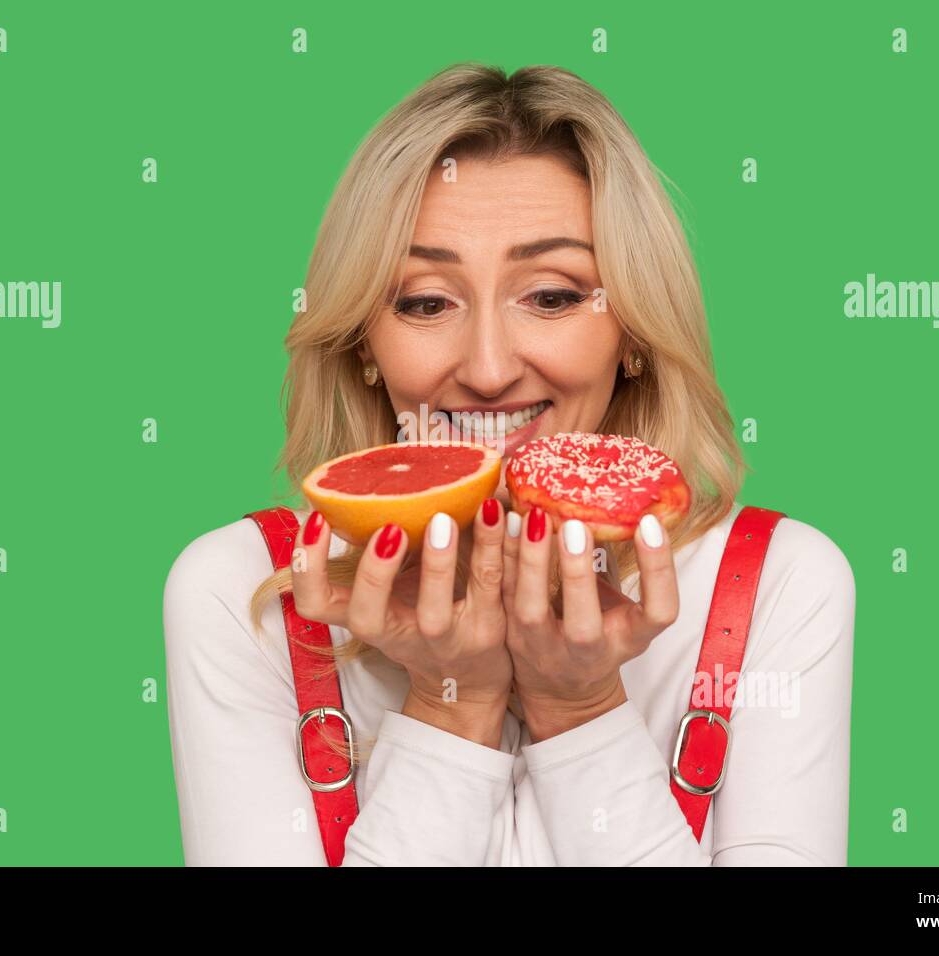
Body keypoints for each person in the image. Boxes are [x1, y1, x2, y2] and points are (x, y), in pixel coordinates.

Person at [163, 63, 855, 866]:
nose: (489, 369)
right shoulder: (236, 597)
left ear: (632, 331)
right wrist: (452, 706)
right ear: (362, 346)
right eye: (425, 301)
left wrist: (581, 705)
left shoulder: (777, 586)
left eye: (554, 296)